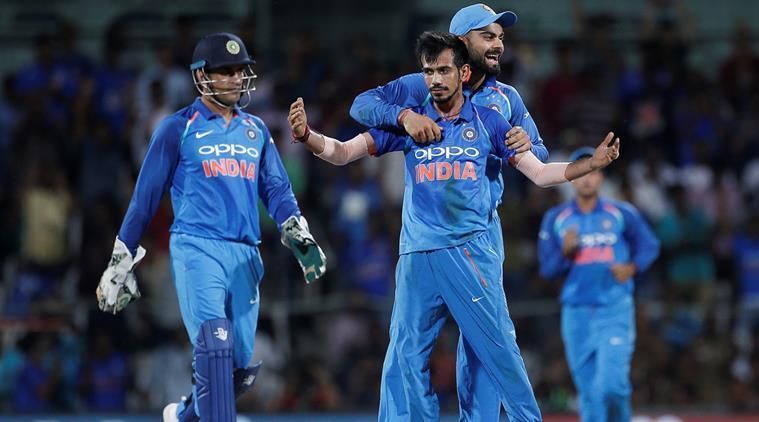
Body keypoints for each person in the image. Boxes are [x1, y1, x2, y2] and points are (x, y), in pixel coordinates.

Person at [288, 31, 620, 421]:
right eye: (429, 72)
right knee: (404, 353)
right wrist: (308, 137)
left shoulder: (490, 119)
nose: (435, 80)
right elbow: (344, 152)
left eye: (443, 70)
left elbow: (542, 172)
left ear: (463, 73)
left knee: (497, 348)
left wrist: (591, 165)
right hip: (416, 254)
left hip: (468, 250)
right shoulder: (412, 120)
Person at [94, 32, 326, 422]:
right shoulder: (177, 128)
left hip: (246, 253)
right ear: (202, 77)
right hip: (196, 248)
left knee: (235, 369)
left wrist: (297, 231)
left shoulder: (256, 131)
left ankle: (185, 414)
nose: (236, 79)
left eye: (240, 71)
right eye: (225, 72)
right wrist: (120, 259)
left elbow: (277, 191)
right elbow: (144, 199)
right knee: (214, 346)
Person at [349, 5, 553, 419]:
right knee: (407, 343)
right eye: (488, 36)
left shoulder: (505, 97)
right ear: (463, 44)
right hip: (424, 234)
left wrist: (523, 144)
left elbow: (541, 157)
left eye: (500, 36)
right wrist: (403, 116)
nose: (498, 44)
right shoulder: (422, 85)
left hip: (479, 232)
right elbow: (361, 105)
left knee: (484, 341)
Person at [538, 147, 660, 422]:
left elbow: (649, 245)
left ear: (602, 177)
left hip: (614, 306)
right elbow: (547, 270)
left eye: (593, 171)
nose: (587, 178)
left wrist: (632, 267)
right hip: (576, 312)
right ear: (572, 178)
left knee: (612, 387)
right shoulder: (556, 219)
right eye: (582, 171)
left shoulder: (621, 213)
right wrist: (565, 254)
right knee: (590, 396)